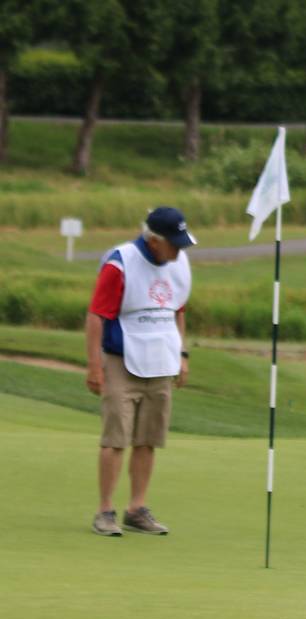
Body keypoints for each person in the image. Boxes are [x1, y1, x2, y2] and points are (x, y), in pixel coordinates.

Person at [86, 207, 196, 537]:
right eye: (174, 243)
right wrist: (94, 366)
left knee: (148, 439)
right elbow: (96, 316)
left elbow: (177, 310)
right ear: (153, 240)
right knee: (115, 439)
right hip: (122, 360)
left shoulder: (178, 263)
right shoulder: (120, 264)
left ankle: (137, 509)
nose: (179, 250)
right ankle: (105, 511)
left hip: (161, 362)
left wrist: (182, 354)